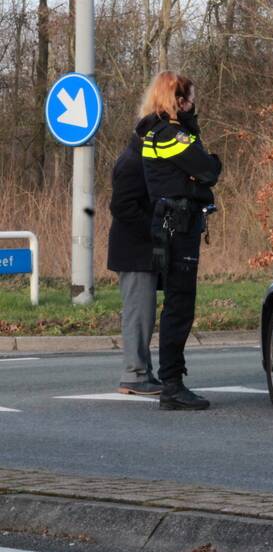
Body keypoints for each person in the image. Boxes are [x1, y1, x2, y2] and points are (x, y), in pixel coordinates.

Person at [139, 71, 222, 411]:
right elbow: (209, 169)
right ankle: (172, 383)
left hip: (172, 224)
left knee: (177, 304)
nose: (194, 105)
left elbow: (198, 176)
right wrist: (201, 176)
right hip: (177, 227)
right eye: (189, 99)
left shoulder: (159, 133)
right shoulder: (172, 134)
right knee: (179, 306)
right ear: (178, 101)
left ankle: (172, 379)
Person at [108, 111, 163, 396]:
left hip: (137, 250)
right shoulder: (133, 162)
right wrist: (154, 230)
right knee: (138, 314)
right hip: (134, 251)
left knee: (142, 313)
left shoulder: (134, 158)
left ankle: (142, 372)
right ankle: (135, 374)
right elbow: (121, 206)